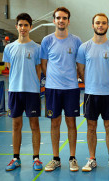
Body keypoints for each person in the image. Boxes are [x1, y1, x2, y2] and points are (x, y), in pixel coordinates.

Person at [77, 13, 109, 173]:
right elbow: (81, 70)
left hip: (108, 94)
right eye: (97, 23)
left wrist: (107, 83)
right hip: (90, 94)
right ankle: (92, 159)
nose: (100, 25)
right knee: (91, 127)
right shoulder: (84, 47)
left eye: (103, 23)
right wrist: (91, 83)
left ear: (107, 26)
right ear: (93, 25)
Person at [40, 7, 82, 172]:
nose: (61, 21)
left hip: (71, 89)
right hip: (52, 89)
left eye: (64, 18)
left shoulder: (76, 41)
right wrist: (52, 79)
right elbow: (44, 64)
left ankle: (72, 158)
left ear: (68, 21)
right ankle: (56, 158)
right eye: (58, 18)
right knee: (54, 123)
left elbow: (80, 65)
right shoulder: (47, 40)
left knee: (71, 123)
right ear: (54, 20)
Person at [3, 13, 42, 171]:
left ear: (30, 27)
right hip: (15, 91)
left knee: (34, 125)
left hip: (31, 91)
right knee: (16, 125)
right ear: (16, 27)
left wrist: (34, 85)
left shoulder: (37, 48)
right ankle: (16, 158)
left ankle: (36, 158)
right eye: (20, 25)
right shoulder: (9, 48)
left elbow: (38, 70)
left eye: (26, 25)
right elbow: (10, 68)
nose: (23, 28)